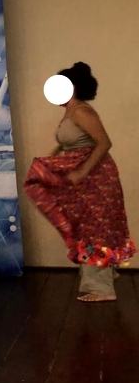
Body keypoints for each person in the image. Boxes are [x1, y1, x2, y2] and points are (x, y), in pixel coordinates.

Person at [25, 62, 135, 302]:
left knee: (95, 226)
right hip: (86, 175)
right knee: (88, 225)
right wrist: (52, 160)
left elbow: (104, 143)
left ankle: (100, 288)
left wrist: (82, 172)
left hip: (97, 176)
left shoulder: (82, 112)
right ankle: (107, 272)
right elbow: (71, 142)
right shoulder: (71, 111)